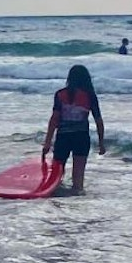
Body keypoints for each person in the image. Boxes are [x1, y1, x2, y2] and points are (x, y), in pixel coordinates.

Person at [41, 64, 106, 195]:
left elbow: (54, 119)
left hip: (63, 138)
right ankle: (77, 203)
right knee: (78, 179)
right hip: (81, 137)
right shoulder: (90, 96)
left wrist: (47, 142)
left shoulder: (60, 94)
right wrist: (101, 143)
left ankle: (56, 200)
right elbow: (98, 121)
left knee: (57, 175)